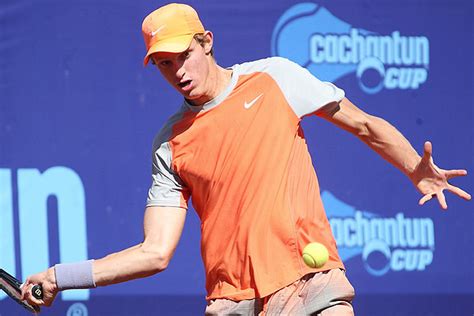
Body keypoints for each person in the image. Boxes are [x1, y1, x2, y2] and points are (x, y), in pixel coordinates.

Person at [21, 3, 471, 315]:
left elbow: (364, 124)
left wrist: (415, 168)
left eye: (184, 55)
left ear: (207, 42)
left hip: (311, 284)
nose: (177, 71)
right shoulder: (170, 144)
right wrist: (61, 276)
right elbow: (155, 253)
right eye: (163, 63)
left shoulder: (274, 78)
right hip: (232, 303)